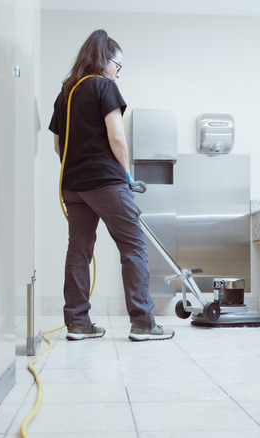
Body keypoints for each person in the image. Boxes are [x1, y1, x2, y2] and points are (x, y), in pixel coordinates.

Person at [48, 29, 174, 342]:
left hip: (73, 186)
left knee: (78, 251)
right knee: (133, 247)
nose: (118, 73)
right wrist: (127, 175)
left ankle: (77, 323)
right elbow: (117, 137)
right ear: (104, 61)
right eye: (117, 65)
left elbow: (57, 146)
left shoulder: (65, 93)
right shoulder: (104, 87)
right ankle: (143, 323)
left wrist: (79, 168)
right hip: (106, 181)